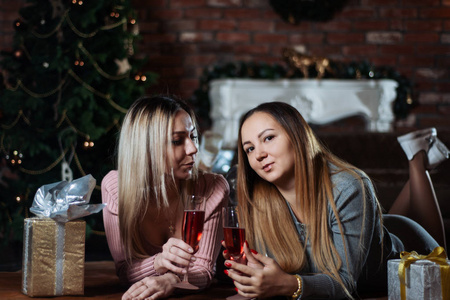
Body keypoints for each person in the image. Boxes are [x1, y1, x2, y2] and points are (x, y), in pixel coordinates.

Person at [222, 101, 449, 299]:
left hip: (411, 253)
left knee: (442, 257)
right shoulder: (258, 200)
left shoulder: (348, 186)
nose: (259, 154)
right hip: (373, 235)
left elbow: (343, 283)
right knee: (373, 232)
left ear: (297, 135)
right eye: (249, 149)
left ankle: (417, 160)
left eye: (268, 138)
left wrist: (289, 285)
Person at [101, 95, 229, 300]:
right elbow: (125, 271)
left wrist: (172, 280)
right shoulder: (117, 188)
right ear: (146, 148)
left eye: (193, 137)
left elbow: (204, 270)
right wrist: (159, 262)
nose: (193, 149)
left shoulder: (213, 188)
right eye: (177, 140)